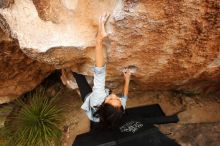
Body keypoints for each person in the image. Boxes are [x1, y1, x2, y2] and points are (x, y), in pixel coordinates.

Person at [61, 14, 132, 129]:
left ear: (103, 104)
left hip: (89, 100)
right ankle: (66, 77)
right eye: (117, 99)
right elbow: (124, 97)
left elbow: (99, 72)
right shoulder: (119, 108)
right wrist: (127, 79)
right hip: (102, 114)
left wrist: (99, 40)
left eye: (110, 98)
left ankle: (66, 79)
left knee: (79, 77)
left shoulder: (98, 98)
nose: (114, 95)